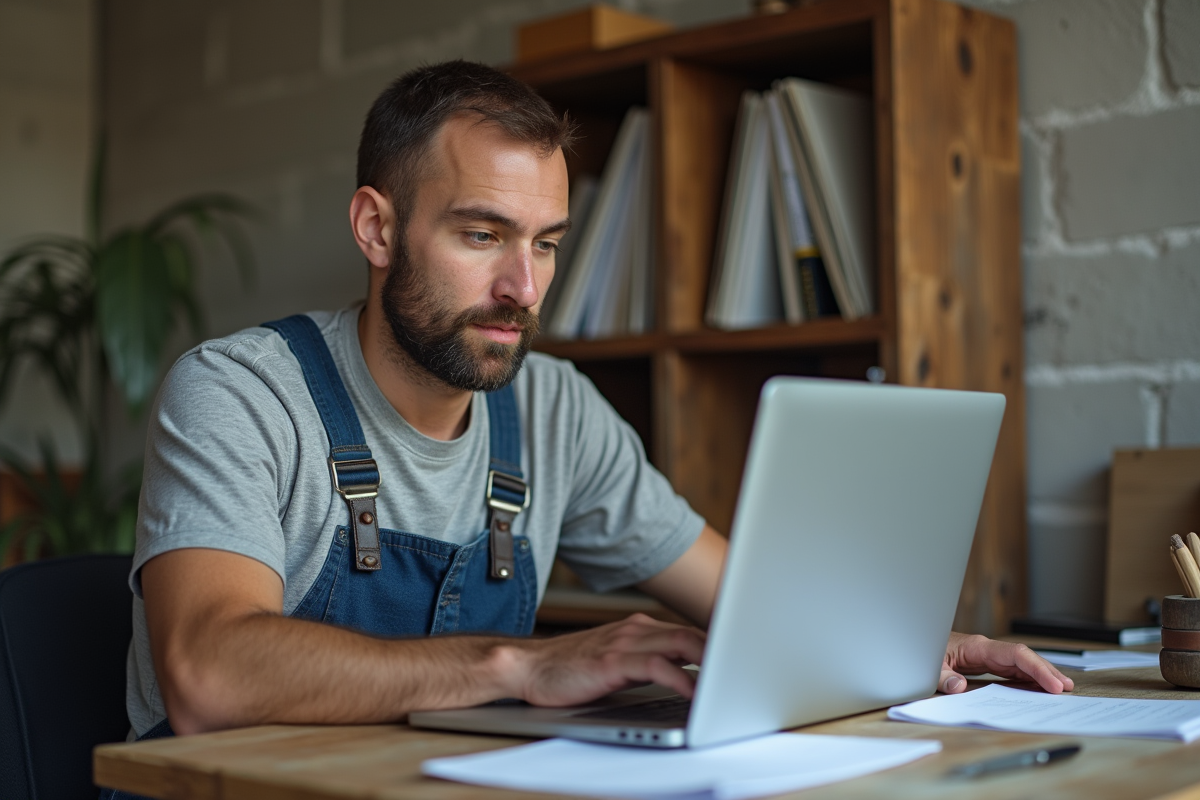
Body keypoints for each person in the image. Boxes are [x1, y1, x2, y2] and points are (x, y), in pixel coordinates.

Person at [124, 60, 1072, 747]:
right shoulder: (240, 393)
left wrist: (902, 645)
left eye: (545, 243)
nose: (524, 288)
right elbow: (209, 673)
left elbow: (747, 604)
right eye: (483, 233)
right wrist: (521, 665)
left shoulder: (552, 411)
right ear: (377, 228)